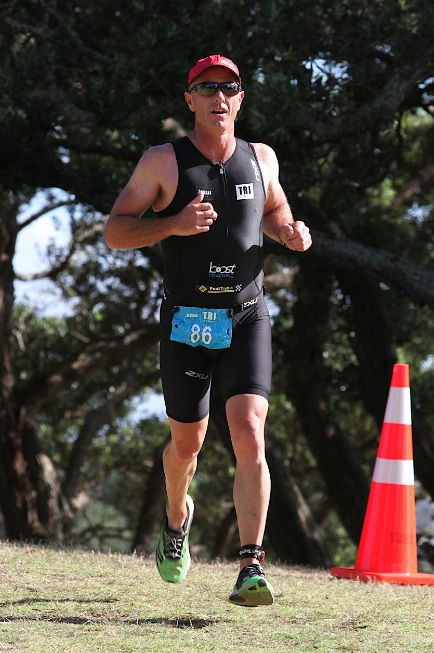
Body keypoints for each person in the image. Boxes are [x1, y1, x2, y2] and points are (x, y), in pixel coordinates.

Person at [105, 54, 312, 607]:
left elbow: (275, 211)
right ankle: (177, 520)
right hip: (187, 321)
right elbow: (115, 232)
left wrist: (290, 232)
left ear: (241, 98)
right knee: (187, 444)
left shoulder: (261, 158)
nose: (219, 97)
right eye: (207, 88)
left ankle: (251, 565)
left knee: (248, 428)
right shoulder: (163, 162)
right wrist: (173, 223)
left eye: (230, 88)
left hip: (247, 314)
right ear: (189, 98)